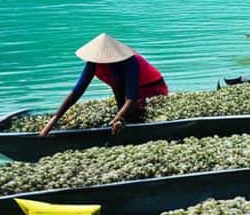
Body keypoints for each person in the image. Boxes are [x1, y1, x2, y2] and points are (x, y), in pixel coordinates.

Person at [39, 33, 168, 137]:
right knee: (123, 111)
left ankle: (131, 124)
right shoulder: (93, 63)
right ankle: (124, 119)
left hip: (151, 88)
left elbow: (131, 97)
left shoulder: (130, 62)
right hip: (122, 90)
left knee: (135, 115)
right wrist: (52, 122)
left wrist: (117, 119)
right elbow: (77, 91)